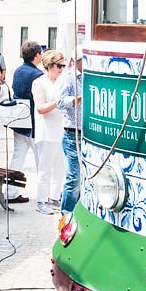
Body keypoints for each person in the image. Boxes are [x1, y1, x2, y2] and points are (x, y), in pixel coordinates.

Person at [4, 41, 41, 204]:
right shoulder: (37, 74)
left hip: (19, 120)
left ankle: (10, 191)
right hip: (33, 122)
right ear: (37, 55)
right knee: (42, 159)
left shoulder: (18, 71)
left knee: (17, 157)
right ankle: (44, 194)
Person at [31, 50, 68, 211]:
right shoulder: (39, 82)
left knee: (60, 169)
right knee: (45, 169)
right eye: (58, 66)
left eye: (63, 66)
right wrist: (58, 102)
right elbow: (40, 108)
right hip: (46, 130)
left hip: (61, 129)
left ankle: (54, 197)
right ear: (49, 66)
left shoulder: (61, 82)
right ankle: (41, 201)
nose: (61, 69)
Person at [58, 53, 84, 214]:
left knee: (82, 178)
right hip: (72, 134)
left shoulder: (89, 78)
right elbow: (60, 102)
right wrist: (79, 98)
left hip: (85, 134)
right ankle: (66, 213)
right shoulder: (68, 78)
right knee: (73, 178)